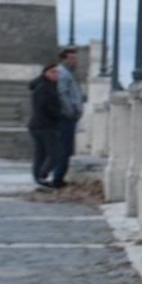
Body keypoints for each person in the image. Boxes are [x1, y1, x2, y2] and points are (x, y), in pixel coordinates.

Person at [28, 63, 64, 189]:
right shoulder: (45, 88)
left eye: (57, 72)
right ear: (45, 73)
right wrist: (60, 114)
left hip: (39, 124)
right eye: (53, 72)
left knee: (41, 154)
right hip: (45, 125)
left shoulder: (46, 86)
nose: (56, 74)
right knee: (55, 154)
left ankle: (39, 178)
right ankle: (42, 176)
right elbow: (47, 107)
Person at [52, 47, 84, 188]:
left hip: (69, 116)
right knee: (64, 149)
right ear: (64, 59)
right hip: (66, 117)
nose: (75, 61)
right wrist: (71, 112)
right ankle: (57, 179)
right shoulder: (63, 74)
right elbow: (62, 94)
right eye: (72, 58)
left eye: (75, 58)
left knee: (66, 149)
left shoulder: (67, 74)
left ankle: (58, 177)